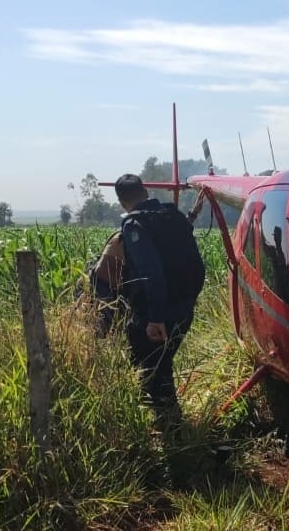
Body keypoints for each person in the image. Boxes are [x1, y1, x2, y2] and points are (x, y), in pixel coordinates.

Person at [114, 174, 206, 428]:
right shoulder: (172, 215)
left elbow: (150, 272)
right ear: (145, 191)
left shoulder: (135, 225)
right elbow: (182, 239)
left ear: (123, 202)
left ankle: (168, 429)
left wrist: (155, 318)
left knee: (150, 364)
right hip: (185, 307)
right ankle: (167, 425)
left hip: (158, 312)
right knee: (161, 364)